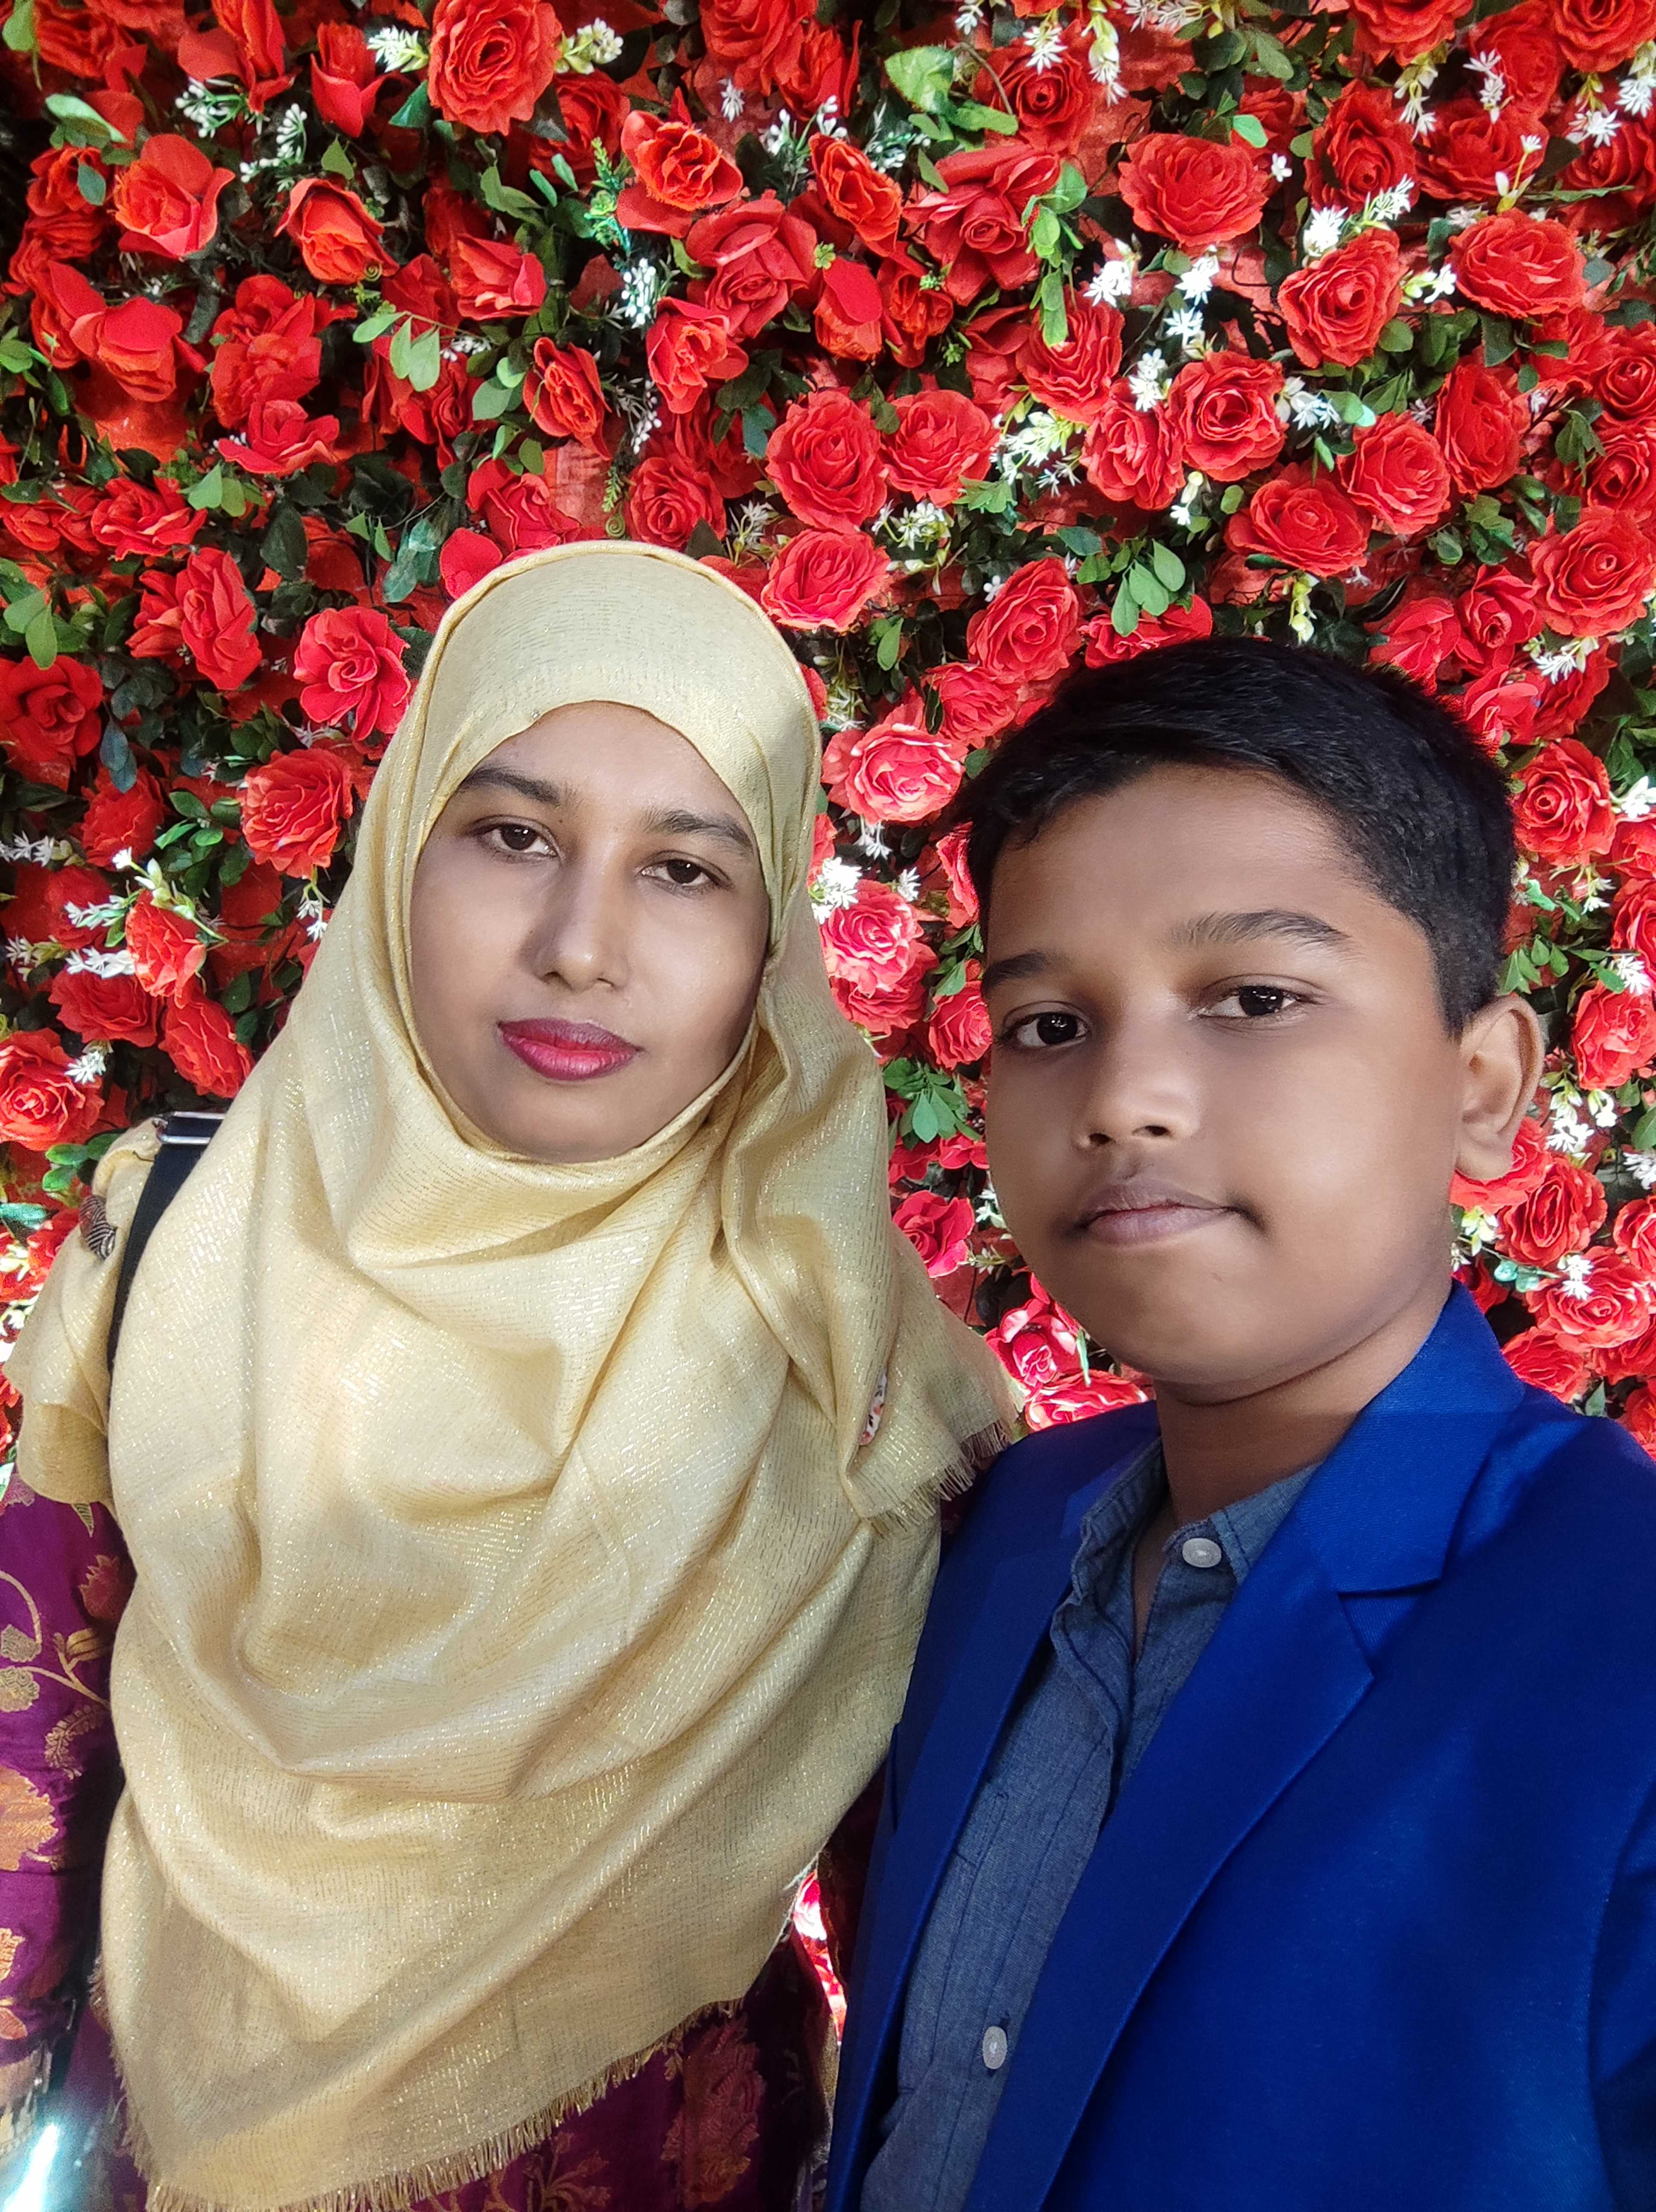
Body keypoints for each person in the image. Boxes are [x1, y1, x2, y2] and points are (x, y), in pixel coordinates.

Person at [0, 541, 1009, 2210]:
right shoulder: (182, 1238)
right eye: (513, 836)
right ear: (402, 850)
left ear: (773, 938)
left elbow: (931, 1973)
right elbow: (27, 1761)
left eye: (683, 869)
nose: (579, 946)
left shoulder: (867, 1380)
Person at [825, 637, 1656, 2212]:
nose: (1123, 1097)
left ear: (1486, 1084)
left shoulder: (1623, 1647)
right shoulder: (1003, 1530)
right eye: (1049, 1023)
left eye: (1256, 999)